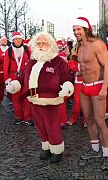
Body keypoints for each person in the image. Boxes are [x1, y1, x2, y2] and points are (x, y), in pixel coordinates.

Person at [21, 31, 74, 163]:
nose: (41, 45)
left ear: (50, 44)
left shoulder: (58, 62)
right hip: (34, 99)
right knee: (40, 126)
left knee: (52, 126)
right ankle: (46, 147)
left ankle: (57, 150)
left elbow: (67, 78)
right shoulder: (32, 61)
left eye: (44, 42)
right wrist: (16, 83)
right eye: (38, 43)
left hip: (51, 100)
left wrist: (67, 87)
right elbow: (23, 77)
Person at [73, 17, 108, 170]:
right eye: (74, 29)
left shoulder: (97, 44)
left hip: (97, 86)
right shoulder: (79, 47)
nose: (76, 32)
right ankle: (95, 150)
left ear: (86, 29)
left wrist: (104, 88)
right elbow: (84, 66)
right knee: (89, 119)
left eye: (78, 29)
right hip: (84, 85)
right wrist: (79, 74)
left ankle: (107, 154)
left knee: (100, 120)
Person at [4, 32, 33, 126]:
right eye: (16, 39)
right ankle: (18, 117)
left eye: (19, 39)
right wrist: (7, 78)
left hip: (25, 76)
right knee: (16, 98)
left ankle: (28, 117)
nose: (18, 41)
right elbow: (5, 66)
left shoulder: (27, 49)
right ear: (13, 40)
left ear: (22, 40)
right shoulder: (9, 51)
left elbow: (31, 62)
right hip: (14, 77)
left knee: (26, 97)